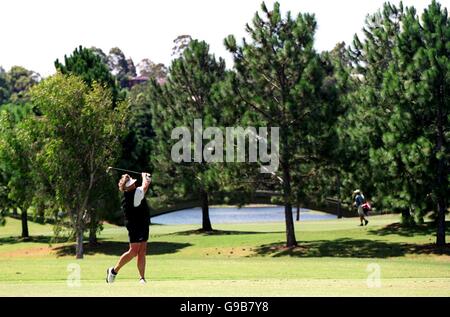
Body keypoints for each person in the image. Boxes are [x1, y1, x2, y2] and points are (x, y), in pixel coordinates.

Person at [106, 172, 151, 284]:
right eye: (131, 184)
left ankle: (142, 278)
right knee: (133, 251)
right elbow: (145, 186)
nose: (134, 184)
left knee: (142, 251)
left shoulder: (134, 192)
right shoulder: (134, 194)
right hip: (134, 225)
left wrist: (145, 178)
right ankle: (113, 271)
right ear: (127, 188)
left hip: (143, 223)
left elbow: (143, 187)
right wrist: (144, 176)